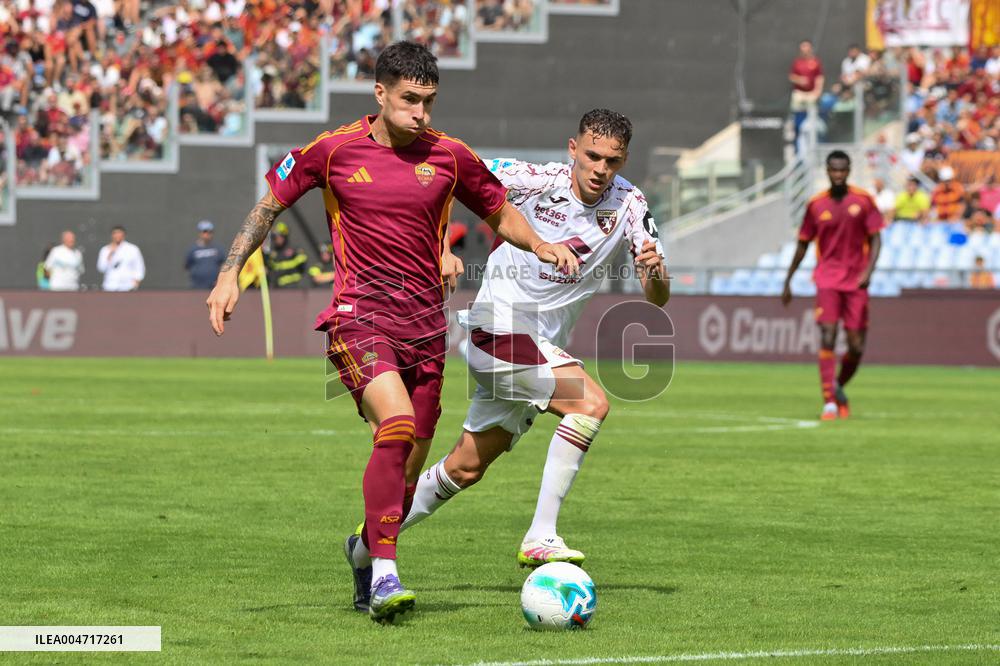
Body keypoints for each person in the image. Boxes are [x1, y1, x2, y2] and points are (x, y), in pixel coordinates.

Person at [203, 41, 576, 624]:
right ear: (380, 94)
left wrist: (541, 243)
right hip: (358, 317)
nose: (420, 112)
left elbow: (499, 211)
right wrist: (230, 273)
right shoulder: (331, 151)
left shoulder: (450, 156)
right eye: (409, 100)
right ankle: (385, 575)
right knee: (396, 426)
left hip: (427, 327)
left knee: (410, 461)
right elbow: (267, 207)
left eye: (428, 101)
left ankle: (362, 550)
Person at [345, 109, 669, 578]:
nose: (600, 169)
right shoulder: (533, 179)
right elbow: (449, 177)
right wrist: (441, 247)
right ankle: (541, 536)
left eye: (612, 161)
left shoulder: (632, 205)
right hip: (496, 330)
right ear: (573, 148)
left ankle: (363, 548)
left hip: (536, 349)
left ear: (623, 161)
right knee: (590, 404)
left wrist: (655, 273)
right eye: (593, 155)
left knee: (464, 469)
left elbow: (657, 299)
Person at [781, 150, 883, 421]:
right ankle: (828, 402)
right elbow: (803, 244)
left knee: (856, 346)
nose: (838, 175)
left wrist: (868, 272)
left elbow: (876, 238)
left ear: (849, 171)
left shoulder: (863, 200)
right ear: (826, 171)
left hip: (856, 281)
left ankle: (837, 386)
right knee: (827, 335)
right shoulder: (816, 205)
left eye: (842, 170)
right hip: (827, 278)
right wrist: (789, 279)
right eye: (833, 170)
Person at [789, 39, 825, 147]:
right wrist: (800, 80)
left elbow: (820, 77)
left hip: (811, 95)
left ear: (810, 48)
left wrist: (817, 91)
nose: (805, 49)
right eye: (803, 47)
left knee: (813, 119)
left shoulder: (815, 62)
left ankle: (815, 142)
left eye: (807, 47)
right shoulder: (797, 62)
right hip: (800, 94)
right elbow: (792, 77)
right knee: (797, 118)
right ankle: (797, 137)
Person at [97, 226, 145, 291]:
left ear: (124, 235)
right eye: (115, 233)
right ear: (112, 235)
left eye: (119, 233)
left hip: (127, 286)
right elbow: (101, 268)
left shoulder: (132, 249)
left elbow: (139, 266)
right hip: (110, 286)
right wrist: (109, 256)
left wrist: (136, 281)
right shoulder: (105, 250)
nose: (117, 235)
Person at [184, 220, 225, 289]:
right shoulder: (193, 250)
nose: (207, 234)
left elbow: (223, 265)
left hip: (214, 286)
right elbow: (187, 265)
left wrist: (220, 280)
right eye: (205, 231)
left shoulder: (218, 249)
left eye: (210, 232)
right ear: (200, 233)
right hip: (196, 286)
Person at [265, 222, 308, 288]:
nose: (277, 239)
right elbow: (271, 269)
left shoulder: (295, 251)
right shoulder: (272, 253)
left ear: (284, 236)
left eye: (279, 236)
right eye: (274, 236)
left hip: (294, 287)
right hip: (277, 288)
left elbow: (303, 268)